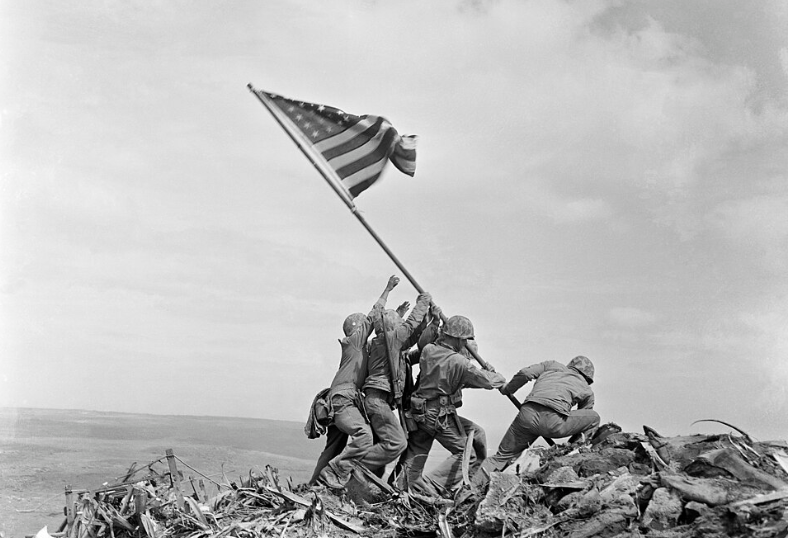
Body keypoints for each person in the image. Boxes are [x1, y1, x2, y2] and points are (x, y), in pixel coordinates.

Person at [395, 315, 506, 493]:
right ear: (458, 339)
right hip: (437, 415)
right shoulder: (459, 362)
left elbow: (458, 380)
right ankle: (431, 487)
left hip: (419, 411)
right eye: (464, 341)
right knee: (467, 455)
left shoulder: (429, 350)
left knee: (416, 453)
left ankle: (401, 487)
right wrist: (496, 375)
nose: (465, 344)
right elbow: (486, 381)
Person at [315, 276, 400, 489]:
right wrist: (387, 289)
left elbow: (384, 335)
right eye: (363, 326)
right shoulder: (354, 342)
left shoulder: (360, 349)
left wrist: (397, 316)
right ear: (356, 328)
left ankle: (314, 485)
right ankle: (336, 473)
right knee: (364, 435)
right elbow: (373, 316)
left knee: (333, 447)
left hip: (341, 400)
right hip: (343, 400)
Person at [476, 356, 600, 483]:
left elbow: (525, 373)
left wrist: (507, 389)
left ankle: (470, 488)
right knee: (594, 417)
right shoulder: (587, 389)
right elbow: (584, 417)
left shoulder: (552, 365)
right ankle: (574, 452)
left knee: (500, 457)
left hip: (526, 416)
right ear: (588, 377)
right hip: (554, 423)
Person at [359, 290, 432, 476]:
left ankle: (363, 481)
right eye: (399, 324)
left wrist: (428, 321)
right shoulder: (391, 339)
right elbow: (410, 325)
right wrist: (423, 302)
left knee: (381, 450)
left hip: (377, 400)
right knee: (397, 442)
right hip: (378, 401)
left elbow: (413, 337)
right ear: (393, 327)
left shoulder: (384, 342)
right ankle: (352, 467)